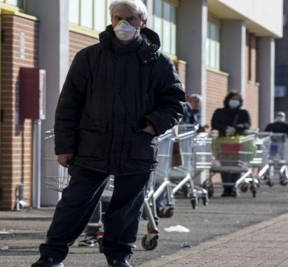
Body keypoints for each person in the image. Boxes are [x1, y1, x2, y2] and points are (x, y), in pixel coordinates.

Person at [32, 0, 185, 266]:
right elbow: (69, 104)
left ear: (142, 22)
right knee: (74, 204)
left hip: (136, 147)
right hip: (91, 146)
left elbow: (175, 102)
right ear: (110, 20)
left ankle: (118, 257)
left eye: (129, 19)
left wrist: (152, 124)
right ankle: (52, 256)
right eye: (117, 18)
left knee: (126, 209)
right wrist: (65, 146)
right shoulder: (89, 57)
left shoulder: (157, 62)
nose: (122, 24)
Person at [210, 91, 251, 197]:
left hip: (238, 143)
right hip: (223, 141)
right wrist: (225, 128)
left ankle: (233, 187)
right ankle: (226, 188)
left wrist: (236, 128)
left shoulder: (243, 113)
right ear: (228, 99)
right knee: (225, 164)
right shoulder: (219, 112)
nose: (235, 101)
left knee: (236, 164)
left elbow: (247, 124)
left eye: (237, 99)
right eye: (233, 99)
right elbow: (214, 123)